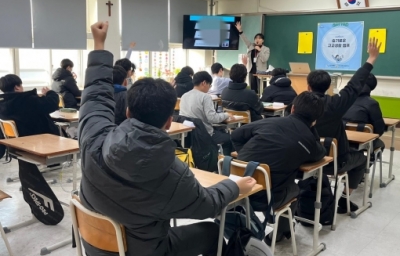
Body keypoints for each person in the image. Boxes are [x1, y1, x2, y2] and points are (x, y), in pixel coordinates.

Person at [78, 21, 257, 256]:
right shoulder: (173, 175)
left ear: (128, 112)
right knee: (212, 231)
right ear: (168, 122)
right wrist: (232, 186)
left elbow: (95, 96)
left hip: (96, 246)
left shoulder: (93, 139)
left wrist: (99, 45)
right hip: (144, 251)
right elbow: (208, 205)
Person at [232, 92, 326, 245]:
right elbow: (320, 154)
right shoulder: (308, 140)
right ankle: (283, 230)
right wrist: (312, 129)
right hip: (265, 199)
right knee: (295, 188)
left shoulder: (270, 122)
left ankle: (280, 227)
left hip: (235, 190)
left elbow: (236, 134)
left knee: (270, 181)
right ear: (315, 120)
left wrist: (246, 158)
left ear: (293, 108)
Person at [308, 38, 382, 213]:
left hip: (306, 158)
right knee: (362, 159)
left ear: (308, 86)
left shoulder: (297, 104)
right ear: (328, 86)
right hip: (333, 162)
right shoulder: (336, 104)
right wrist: (371, 59)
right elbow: (354, 85)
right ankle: (343, 199)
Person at [180, 71, 234, 155]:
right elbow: (212, 118)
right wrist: (226, 114)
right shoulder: (205, 97)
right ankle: (224, 164)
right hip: (205, 134)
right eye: (210, 85)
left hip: (189, 135)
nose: (209, 88)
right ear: (204, 83)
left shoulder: (184, 96)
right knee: (229, 138)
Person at [343, 73, 385, 154]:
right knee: (381, 144)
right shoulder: (372, 104)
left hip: (341, 141)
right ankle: (366, 163)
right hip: (361, 143)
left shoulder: (344, 100)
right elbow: (379, 130)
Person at [235, 21, 270, 94]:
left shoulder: (266, 49)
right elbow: (245, 39)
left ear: (263, 40)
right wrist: (240, 30)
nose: (257, 39)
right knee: (252, 90)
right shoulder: (251, 46)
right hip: (251, 71)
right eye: (256, 38)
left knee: (261, 90)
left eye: (260, 38)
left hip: (261, 72)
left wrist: (260, 51)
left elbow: (264, 59)